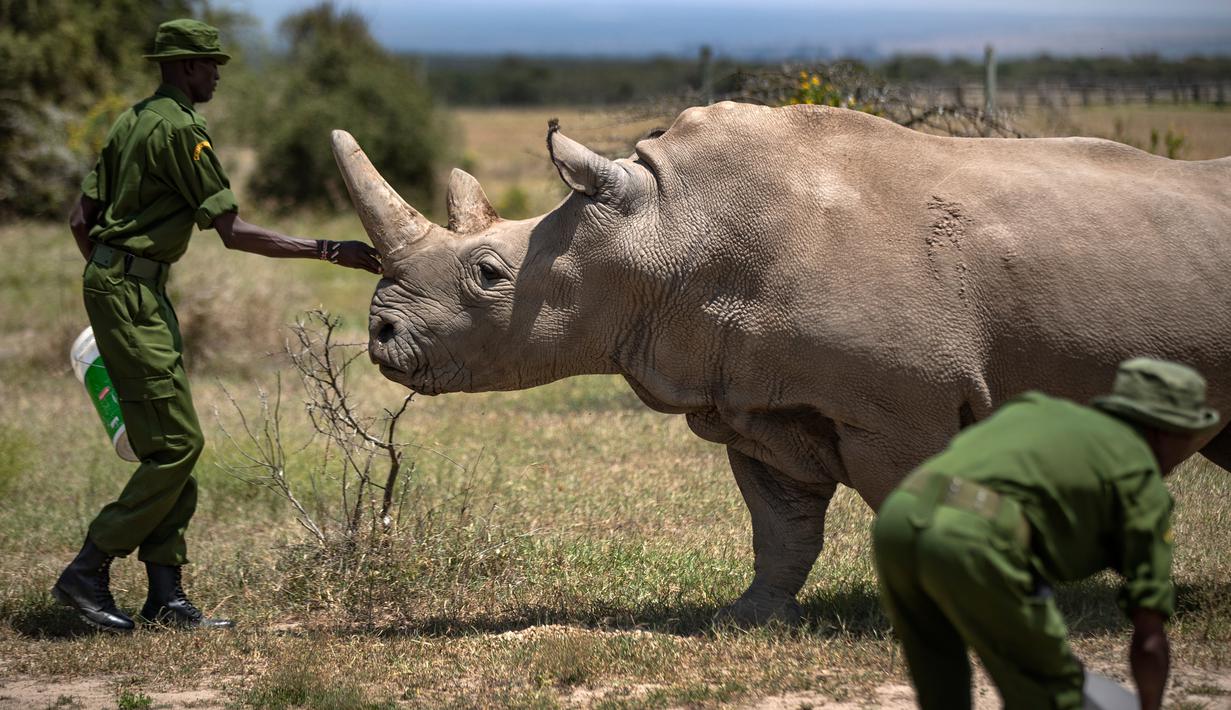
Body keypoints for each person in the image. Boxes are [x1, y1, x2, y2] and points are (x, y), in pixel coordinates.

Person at [54, 19, 382, 632]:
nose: (217, 75)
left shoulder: (131, 120)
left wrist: (111, 278)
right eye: (209, 65)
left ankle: (166, 598)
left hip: (126, 287)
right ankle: (88, 568)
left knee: (166, 444)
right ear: (182, 68)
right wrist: (332, 250)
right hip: (134, 292)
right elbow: (233, 232)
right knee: (178, 446)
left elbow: (80, 218)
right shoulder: (183, 129)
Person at [872, 357, 1219, 710]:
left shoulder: (1034, 407)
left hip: (897, 515)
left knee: (941, 687)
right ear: (1165, 431)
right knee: (1057, 698)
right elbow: (1149, 639)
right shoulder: (1142, 481)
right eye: (1190, 435)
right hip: (972, 537)